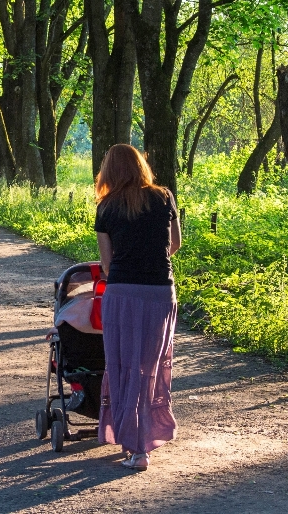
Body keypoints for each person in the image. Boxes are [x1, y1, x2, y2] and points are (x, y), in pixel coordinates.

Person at [93, 144, 182, 471]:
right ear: (141, 165)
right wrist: (151, 262)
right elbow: (174, 244)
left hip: (123, 294)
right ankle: (146, 436)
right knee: (152, 367)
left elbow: (106, 262)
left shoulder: (106, 206)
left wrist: (127, 267)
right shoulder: (164, 197)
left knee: (123, 366)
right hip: (160, 292)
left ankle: (135, 447)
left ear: (109, 171)